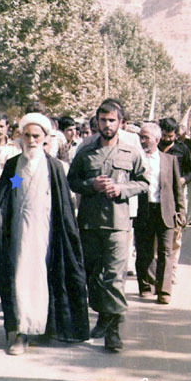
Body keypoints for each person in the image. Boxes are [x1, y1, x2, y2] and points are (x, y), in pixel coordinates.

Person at [0, 113, 89, 355]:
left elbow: (64, 205)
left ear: (46, 137)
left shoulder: (54, 168)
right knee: (21, 278)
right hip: (19, 234)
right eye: (27, 135)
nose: (31, 140)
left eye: (36, 136)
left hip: (47, 234)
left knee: (45, 279)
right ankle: (21, 331)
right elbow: (10, 193)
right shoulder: (15, 166)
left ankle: (43, 327)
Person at [68, 100, 148, 352]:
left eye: (112, 120)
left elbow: (144, 182)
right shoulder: (85, 151)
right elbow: (72, 180)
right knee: (93, 276)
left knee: (114, 278)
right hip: (90, 224)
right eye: (103, 120)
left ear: (120, 123)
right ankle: (104, 315)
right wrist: (91, 185)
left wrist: (121, 189)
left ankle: (114, 330)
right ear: (97, 122)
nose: (107, 125)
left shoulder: (131, 152)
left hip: (117, 224)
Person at [134, 122, 185, 304]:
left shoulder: (169, 160)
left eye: (146, 137)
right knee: (144, 250)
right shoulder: (135, 159)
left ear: (157, 139)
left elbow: (177, 189)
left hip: (165, 210)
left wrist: (181, 211)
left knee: (166, 251)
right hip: (144, 210)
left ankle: (164, 290)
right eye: (141, 137)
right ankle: (146, 286)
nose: (142, 141)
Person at [158, 117, 191, 281]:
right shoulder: (154, 148)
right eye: (164, 136)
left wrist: (183, 180)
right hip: (156, 197)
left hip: (174, 199)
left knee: (175, 237)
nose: (167, 139)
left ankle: (171, 272)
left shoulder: (182, 149)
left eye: (170, 136)